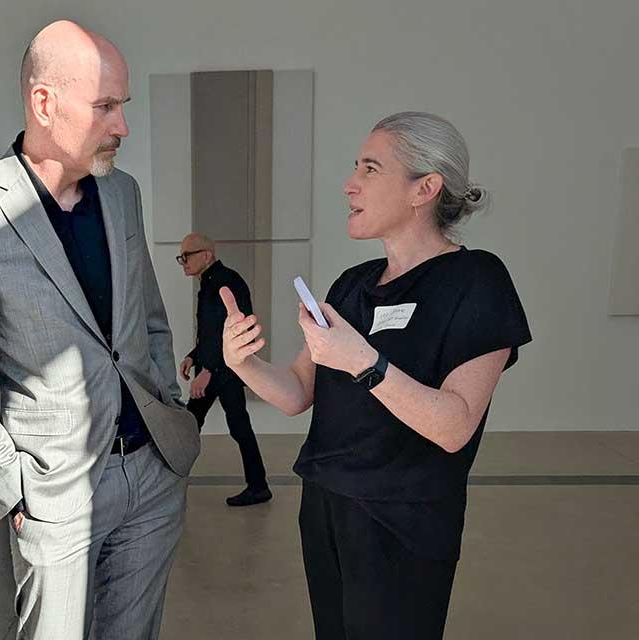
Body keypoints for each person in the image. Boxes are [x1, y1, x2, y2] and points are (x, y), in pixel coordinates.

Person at [0, 20, 199, 640]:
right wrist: (16, 491)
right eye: (105, 106)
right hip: (55, 494)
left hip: (153, 476)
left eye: (122, 107)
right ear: (44, 103)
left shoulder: (122, 194)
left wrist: (170, 413)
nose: (122, 126)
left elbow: (150, 321)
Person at [220, 111, 531, 639]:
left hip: (404, 520)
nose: (350, 184)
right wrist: (241, 363)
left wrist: (364, 361)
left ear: (424, 188)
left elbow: (454, 425)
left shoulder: (477, 280)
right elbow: (298, 393)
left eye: (370, 169)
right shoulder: (353, 284)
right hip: (326, 504)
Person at [177, 232, 271, 506]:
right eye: (180, 257)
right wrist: (193, 357)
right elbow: (211, 333)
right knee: (195, 425)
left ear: (206, 255)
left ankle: (258, 486)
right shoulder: (209, 283)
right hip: (218, 370)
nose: (183, 262)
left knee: (207, 426)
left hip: (224, 373)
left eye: (187, 256)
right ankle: (258, 485)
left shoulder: (226, 283)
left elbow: (232, 333)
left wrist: (207, 370)